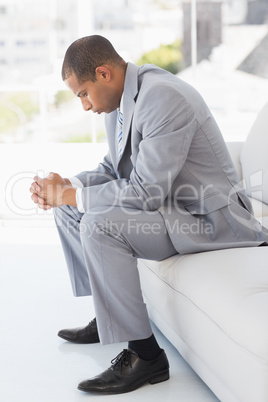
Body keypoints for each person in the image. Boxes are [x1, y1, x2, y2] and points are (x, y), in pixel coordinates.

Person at [30, 35, 268, 394]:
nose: (83, 105)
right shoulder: (120, 102)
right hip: (168, 210)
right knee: (70, 208)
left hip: (208, 221)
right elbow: (114, 169)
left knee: (97, 224)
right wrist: (67, 186)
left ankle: (147, 356)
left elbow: (143, 191)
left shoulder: (163, 98)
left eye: (82, 93)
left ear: (103, 74)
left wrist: (73, 194)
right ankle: (108, 309)